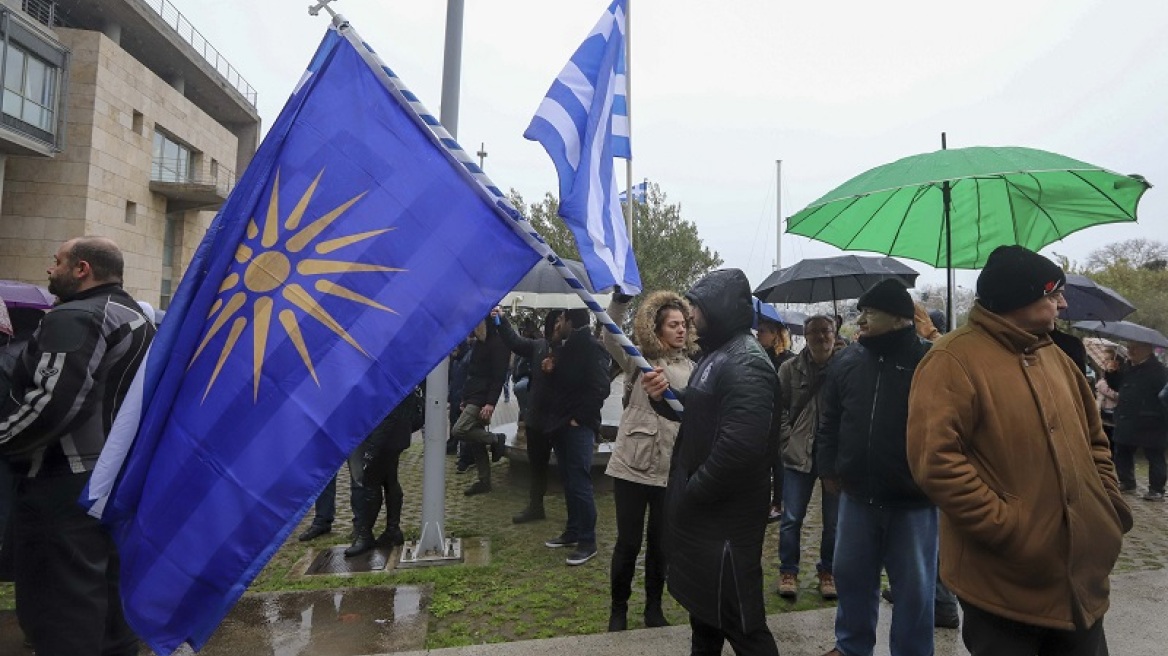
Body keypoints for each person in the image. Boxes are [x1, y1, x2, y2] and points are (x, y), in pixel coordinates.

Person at [907, 245, 1133, 656]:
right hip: (1004, 586)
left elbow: (1095, 440)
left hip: (1081, 583)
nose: (1062, 303)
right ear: (1017, 298)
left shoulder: (1057, 358)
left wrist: (1107, 507)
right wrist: (1010, 529)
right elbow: (935, 463)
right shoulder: (951, 359)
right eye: (1052, 294)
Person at [0, 236, 156, 656]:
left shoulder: (78, 316)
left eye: (58, 262)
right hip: (113, 476)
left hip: (63, 484)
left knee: (61, 611)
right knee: (107, 608)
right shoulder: (135, 316)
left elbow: (52, 404)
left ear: (82, 268)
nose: (51, 270)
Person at [643, 269, 779, 656]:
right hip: (707, 521)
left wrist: (689, 493)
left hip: (725, 524)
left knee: (742, 623)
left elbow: (740, 448)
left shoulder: (747, 362)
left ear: (717, 309)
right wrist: (663, 396)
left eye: (696, 309)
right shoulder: (718, 355)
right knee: (705, 615)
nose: (691, 319)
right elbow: (698, 409)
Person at [816, 278, 934, 656]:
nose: (861, 318)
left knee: (915, 590)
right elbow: (829, 420)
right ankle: (850, 647)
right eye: (861, 311)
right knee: (851, 579)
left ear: (899, 318)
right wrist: (828, 467)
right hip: (856, 497)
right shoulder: (846, 361)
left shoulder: (931, 362)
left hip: (913, 501)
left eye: (870, 312)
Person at [602, 291, 696, 631]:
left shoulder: (695, 370)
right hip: (631, 466)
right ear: (657, 329)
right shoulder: (638, 360)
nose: (681, 330)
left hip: (670, 472)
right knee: (628, 543)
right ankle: (618, 610)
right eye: (673, 325)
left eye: (683, 324)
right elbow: (608, 334)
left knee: (661, 545)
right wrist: (620, 302)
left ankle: (653, 609)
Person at [775, 315, 839, 602]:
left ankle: (829, 571)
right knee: (791, 518)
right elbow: (779, 410)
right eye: (814, 332)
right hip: (798, 452)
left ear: (835, 334)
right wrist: (787, 441)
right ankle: (788, 571)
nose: (820, 337)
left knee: (834, 521)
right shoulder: (790, 369)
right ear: (806, 335)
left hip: (834, 457)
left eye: (826, 331)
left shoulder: (846, 367)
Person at [541, 308, 611, 566]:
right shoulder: (564, 347)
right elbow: (563, 386)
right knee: (569, 480)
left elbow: (601, 387)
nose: (557, 324)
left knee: (580, 482)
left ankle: (588, 541)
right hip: (560, 424)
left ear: (570, 320)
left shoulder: (592, 347)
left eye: (560, 320)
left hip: (577, 425)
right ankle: (572, 531)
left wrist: (580, 418)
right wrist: (551, 370)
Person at [494, 308, 562, 524]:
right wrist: (502, 319)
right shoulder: (539, 346)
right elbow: (514, 342)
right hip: (537, 419)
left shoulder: (573, 349)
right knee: (537, 466)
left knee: (571, 470)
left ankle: (577, 518)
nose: (559, 326)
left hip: (562, 420)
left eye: (563, 320)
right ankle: (535, 507)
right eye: (556, 321)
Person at [344, 389, 418, 556]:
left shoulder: (386, 377)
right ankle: (392, 530)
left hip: (385, 437)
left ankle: (365, 534)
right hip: (395, 435)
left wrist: (372, 449)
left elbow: (387, 415)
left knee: (371, 484)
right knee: (390, 480)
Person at [451, 317, 510, 496]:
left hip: (482, 399)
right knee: (476, 441)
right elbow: (472, 373)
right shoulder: (479, 343)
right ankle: (484, 481)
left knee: (458, 430)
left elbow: (499, 376)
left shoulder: (498, 344)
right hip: (472, 397)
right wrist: (464, 398)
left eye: (478, 324)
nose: (474, 328)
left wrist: (490, 403)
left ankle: (495, 439)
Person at [1106, 338, 1168, 501]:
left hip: (1151, 421)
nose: (1131, 351)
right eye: (1129, 347)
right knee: (1122, 451)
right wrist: (1111, 373)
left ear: (1148, 349)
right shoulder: (1127, 366)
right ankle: (1127, 482)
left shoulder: (1159, 370)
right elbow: (1117, 386)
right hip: (1127, 417)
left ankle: (1156, 489)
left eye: (1135, 348)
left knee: (1154, 455)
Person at [757, 316, 794, 522]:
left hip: (779, 416)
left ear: (774, 335)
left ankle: (778, 502)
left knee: (778, 462)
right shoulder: (759, 356)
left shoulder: (787, 359)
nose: (758, 334)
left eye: (762, 331)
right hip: (762, 414)